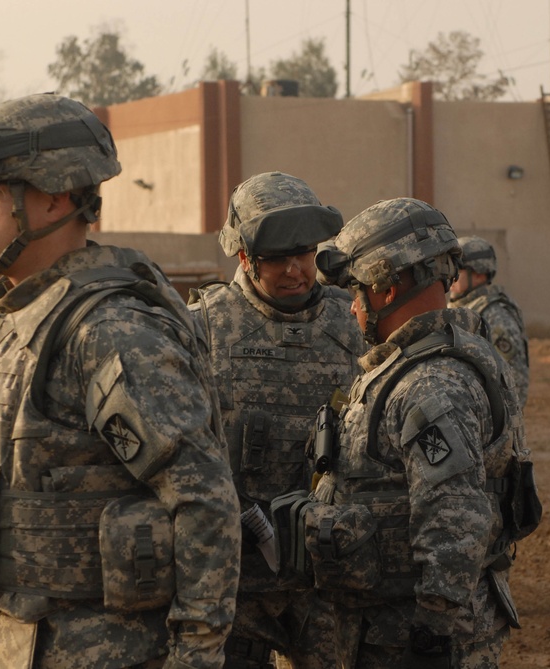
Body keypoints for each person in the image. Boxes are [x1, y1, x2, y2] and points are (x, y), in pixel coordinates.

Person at [0, 93, 241, 668]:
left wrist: (196, 652)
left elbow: (202, 500)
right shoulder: (1, 319)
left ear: (55, 197)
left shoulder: (109, 330)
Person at [293, 197, 531, 668]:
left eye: (358, 291)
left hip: (413, 637)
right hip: (386, 626)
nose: (354, 308)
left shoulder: (430, 386)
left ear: (385, 287)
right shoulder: (412, 366)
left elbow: (454, 516)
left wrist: (431, 634)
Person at [188, 172, 365, 668]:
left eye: (304, 254)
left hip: (326, 570)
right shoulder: (205, 325)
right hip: (235, 577)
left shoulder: (350, 320)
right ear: (245, 257)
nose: (294, 270)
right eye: (276, 259)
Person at [448, 236, 530, 410]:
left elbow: (514, 379)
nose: (451, 276)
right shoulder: (460, 310)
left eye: (458, 270)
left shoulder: (494, 315)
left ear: (479, 274)